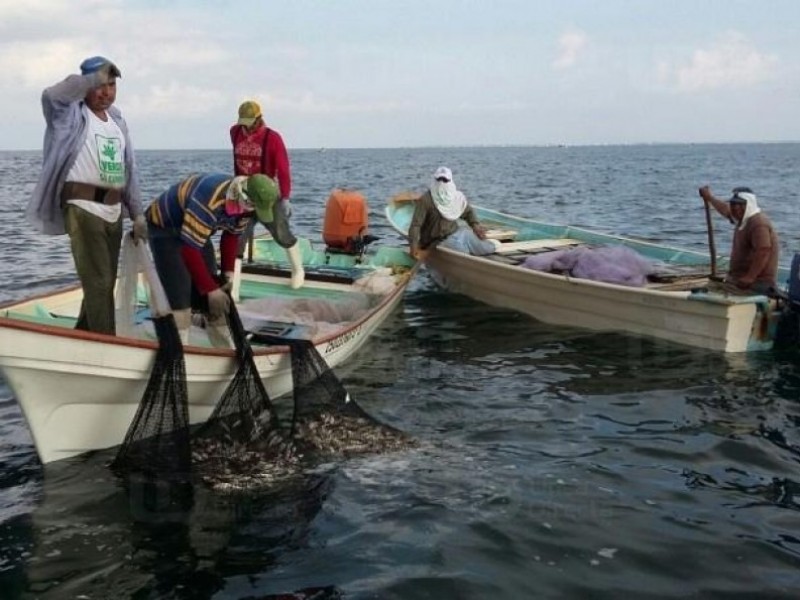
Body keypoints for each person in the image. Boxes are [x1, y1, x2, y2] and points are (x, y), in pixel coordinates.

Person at [26, 55, 147, 335]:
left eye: (112, 85)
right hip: (82, 207)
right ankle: (106, 343)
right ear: (85, 85)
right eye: (101, 85)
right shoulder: (67, 114)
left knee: (103, 281)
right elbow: (50, 95)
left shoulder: (117, 121)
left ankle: (82, 335)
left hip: (113, 211)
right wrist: (88, 80)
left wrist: (138, 213)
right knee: (99, 280)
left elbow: (130, 169)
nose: (107, 92)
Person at [145, 173, 278, 346]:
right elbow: (189, 250)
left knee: (216, 303)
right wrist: (209, 289)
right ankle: (178, 356)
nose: (252, 211)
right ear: (244, 196)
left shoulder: (247, 209)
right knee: (181, 303)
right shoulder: (209, 200)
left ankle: (225, 352)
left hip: (197, 232)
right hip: (166, 228)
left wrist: (227, 275)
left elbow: (231, 236)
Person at [229, 100, 304, 291]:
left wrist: (285, 197)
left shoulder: (273, 138)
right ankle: (233, 287)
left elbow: (283, 169)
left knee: (281, 233)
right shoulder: (234, 132)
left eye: (249, 122)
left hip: (266, 194)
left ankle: (297, 270)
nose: (246, 126)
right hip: (243, 193)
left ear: (258, 118)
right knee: (236, 239)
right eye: (242, 122)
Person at [698, 185, 779, 294]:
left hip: (757, 284)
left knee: (708, 292)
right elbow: (725, 210)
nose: (736, 208)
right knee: (708, 288)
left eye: (741, 204)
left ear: (750, 205)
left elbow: (763, 250)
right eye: (733, 204)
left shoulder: (758, 223)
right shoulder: (741, 219)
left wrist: (750, 277)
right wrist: (709, 197)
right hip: (738, 280)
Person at [408, 166, 499, 261]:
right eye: (439, 179)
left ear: (450, 181)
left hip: (458, 233)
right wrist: (413, 247)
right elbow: (415, 225)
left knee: (488, 248)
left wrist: (476, 226)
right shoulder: (426, 200)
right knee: (464, 254)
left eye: (445, 180)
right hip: (439, 242)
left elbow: (468, 212)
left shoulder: (455, 197)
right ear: (435, 180)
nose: (442, 182)